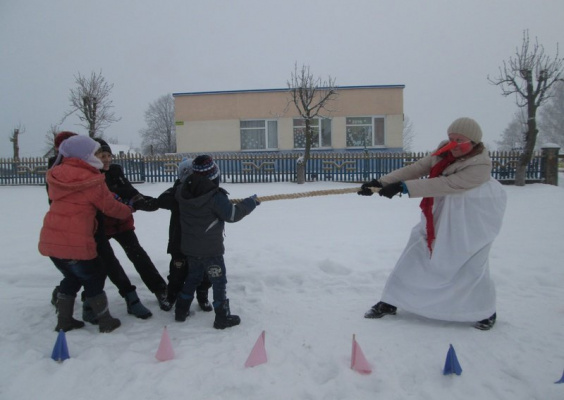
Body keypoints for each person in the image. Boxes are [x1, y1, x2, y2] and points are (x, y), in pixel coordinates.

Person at [358, 117, 507, 331]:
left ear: (474, 142)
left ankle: (483, 311)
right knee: (417, 251)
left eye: (460, 140)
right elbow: (417, 168)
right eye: (451, 138)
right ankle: (391, 301)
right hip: (441, 210)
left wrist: (403, 188)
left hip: (471, 215)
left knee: (468, 262)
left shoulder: (480, 165)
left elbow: (447, 183)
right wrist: (382, 182)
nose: (454, 144)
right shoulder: (443, 152)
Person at [39, 135, 130, 333]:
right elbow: (110, 207)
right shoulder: (91, 179)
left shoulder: (57, 174)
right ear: (85, 155)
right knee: (95, 276)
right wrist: (128, 209)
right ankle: (105, 320)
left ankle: (64, 321)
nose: (99, 156)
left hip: (52, 239)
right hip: (76, 241)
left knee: (71, 278)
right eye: (96, 152)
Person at [174, 155, 260, 329]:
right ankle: (222, 316)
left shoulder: (182, 190)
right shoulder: (215, 196)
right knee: (218, 281)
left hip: (190, 248)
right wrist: (250, 203)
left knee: (193, 277)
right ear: (214, 176)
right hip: (211, 251)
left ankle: (181, 310)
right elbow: (232, 215)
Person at [94, 139, 172, 311]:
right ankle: (70, 293)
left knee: (138, 255)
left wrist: (144, 201)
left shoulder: (115, 171)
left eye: (108, 155)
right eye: (102, 156)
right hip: (100, 227)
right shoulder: (90, 176)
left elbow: (128, 191)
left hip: (121, 223)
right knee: (102, 263)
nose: (106, 159)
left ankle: (160, 289)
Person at [156, 158, 212, 310]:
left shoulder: (205, 190)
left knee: (204, 272)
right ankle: (172, 296)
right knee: (177, 271)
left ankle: (203, 296)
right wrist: (182, 199)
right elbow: (162, 200)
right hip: (179, 240)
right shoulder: (177, 190)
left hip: (201, 241)